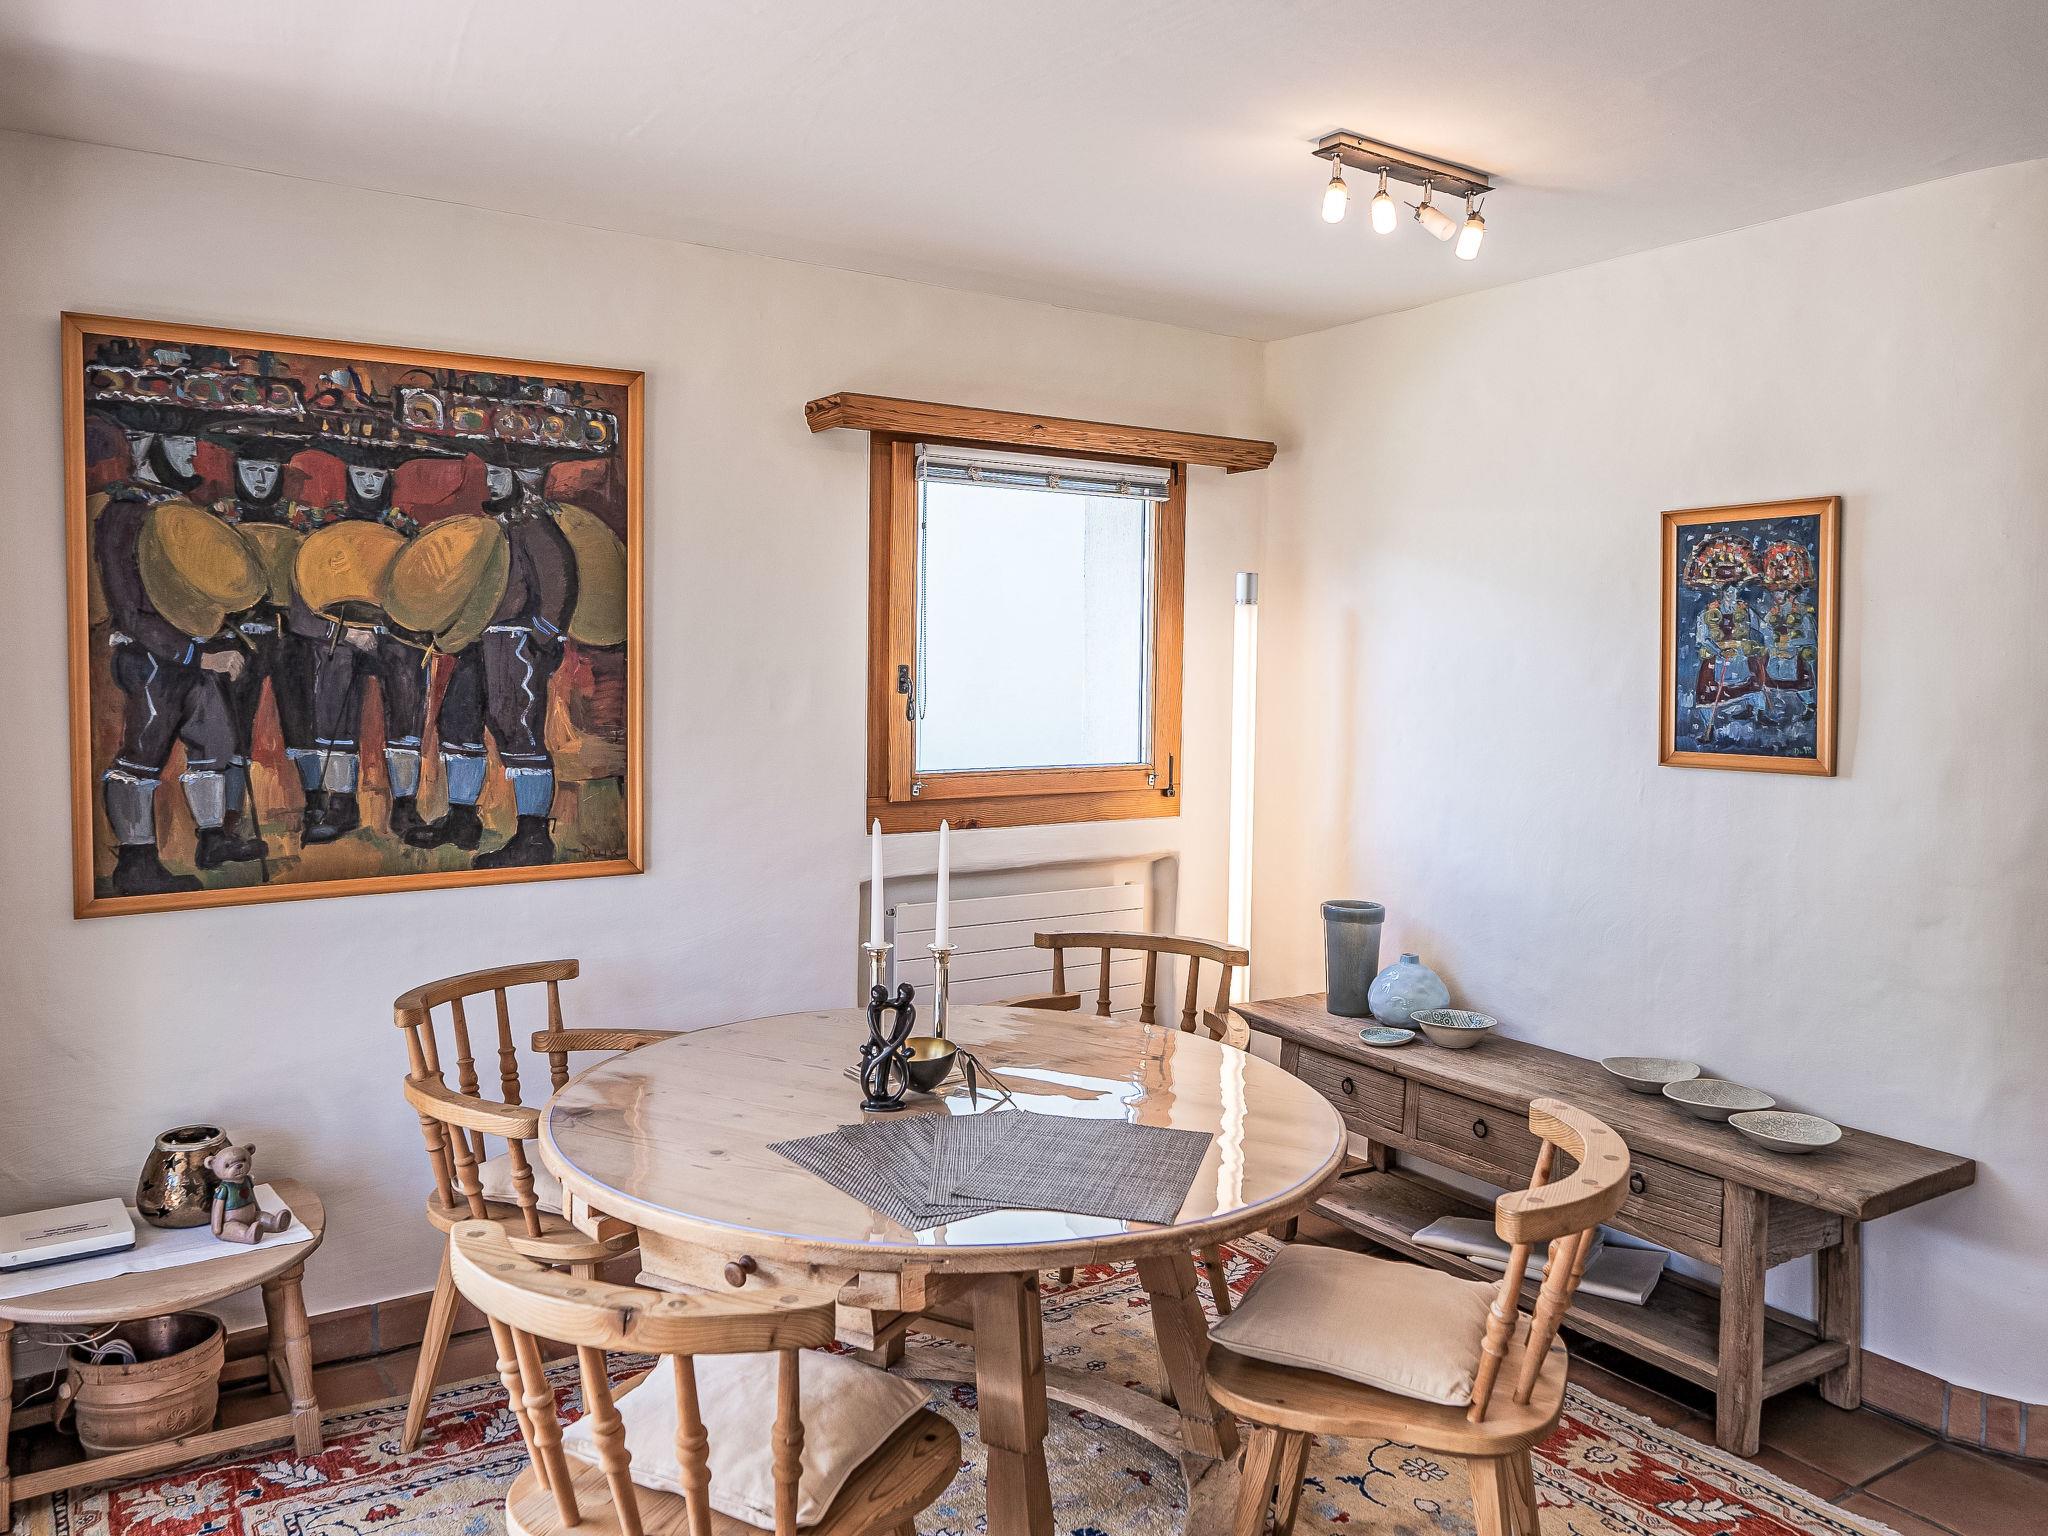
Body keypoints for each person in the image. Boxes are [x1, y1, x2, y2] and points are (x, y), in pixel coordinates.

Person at [94, 408, 264, 893]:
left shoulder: (185, 513)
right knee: (142, 755)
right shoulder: (125, 514)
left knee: (215, 746)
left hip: (198, 656)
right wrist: (197, 655)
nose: (192, 453)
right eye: (180, 441)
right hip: (153, 659)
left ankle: (213, 839)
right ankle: (135, 862)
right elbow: (131, 612)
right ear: (146, 445)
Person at [405, 446, 578, 866]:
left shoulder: (535, 527)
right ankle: (463, 818)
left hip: (514, 642)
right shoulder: (491, 530)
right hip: (476, 640)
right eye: (491, 473)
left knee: (517, 729)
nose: (491, 481)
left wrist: (541, 637)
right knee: (457, 721)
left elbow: (559, 582)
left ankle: (533, 838)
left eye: (501, 474)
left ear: (523, 480)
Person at [288, 426, 455, 845]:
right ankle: (340, 804)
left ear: (387, 481)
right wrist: (343, 632)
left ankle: (405, 808)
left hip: (395, 639)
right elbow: (301, 606)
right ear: (349, 478)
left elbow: (424, 589)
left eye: (376, 476)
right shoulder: (321, 532)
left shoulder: (408, 536)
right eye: (361, 475)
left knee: (407, 711)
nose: (368, 483)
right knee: (333, 712)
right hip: (339, 639)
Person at [204, 426, 320, 855]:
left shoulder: (302, 520)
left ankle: (317, 806)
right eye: (251, 469)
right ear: (238, 471)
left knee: (303, 722)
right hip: (238, 637)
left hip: (291, 637)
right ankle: (231, 818)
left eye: (268, 470)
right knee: (234, 728)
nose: (259, 478)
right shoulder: (220, 517)